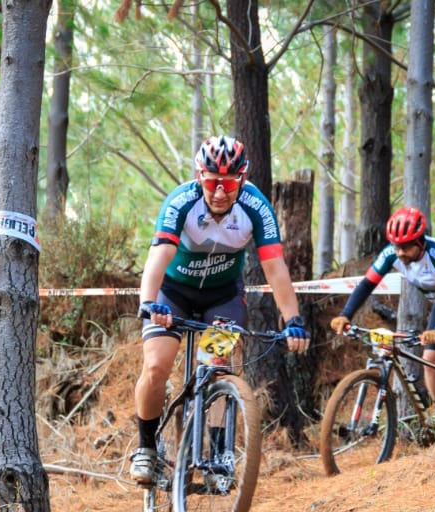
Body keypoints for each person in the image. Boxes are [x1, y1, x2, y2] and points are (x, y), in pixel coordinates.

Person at [129, 135, 310, 485]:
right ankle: (146, 448)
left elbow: (275, 267)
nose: (219, 192)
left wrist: (294, 319)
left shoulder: (256, 207)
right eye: (212, 183)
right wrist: (148, 303)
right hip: (172, 293)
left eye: (228, 183)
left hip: (222, 297)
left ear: (241, 179)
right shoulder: (181, 200)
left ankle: (217, 456)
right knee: (156, 366)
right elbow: (159, 256)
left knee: (217, 367)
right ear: (199, 176)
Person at [329, 206, 435, 429]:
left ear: (420, 242)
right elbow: (366, 284)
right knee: (430, 360)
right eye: (397, 246)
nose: (400, 252)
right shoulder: (391, 253)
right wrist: (345, 315)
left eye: (407, 247)